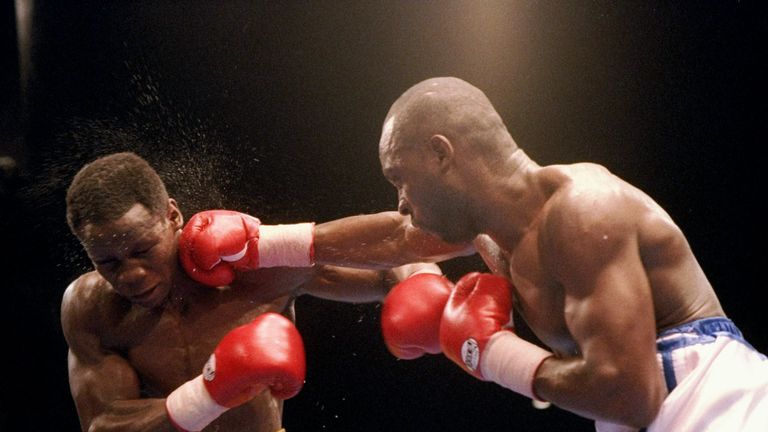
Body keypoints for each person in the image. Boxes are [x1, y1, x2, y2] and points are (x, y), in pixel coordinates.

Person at [182, 77, 768, 431]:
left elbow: (629, 393)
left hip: (708, 393)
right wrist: (260, 246)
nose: (402, 200)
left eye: (400, 177)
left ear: (442, 153)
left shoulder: (582, 213)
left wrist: (493, 357)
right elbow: (395, 239)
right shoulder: (493, 232)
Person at [61, 151, 445, 432]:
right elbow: (102, 423)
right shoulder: (92, 308)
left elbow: (391, 255)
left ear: (173, 216)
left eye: (142, 250)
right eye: (107, 262)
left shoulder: (254, 267)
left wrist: (422, 285)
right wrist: (210, 393)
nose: (129, 274)